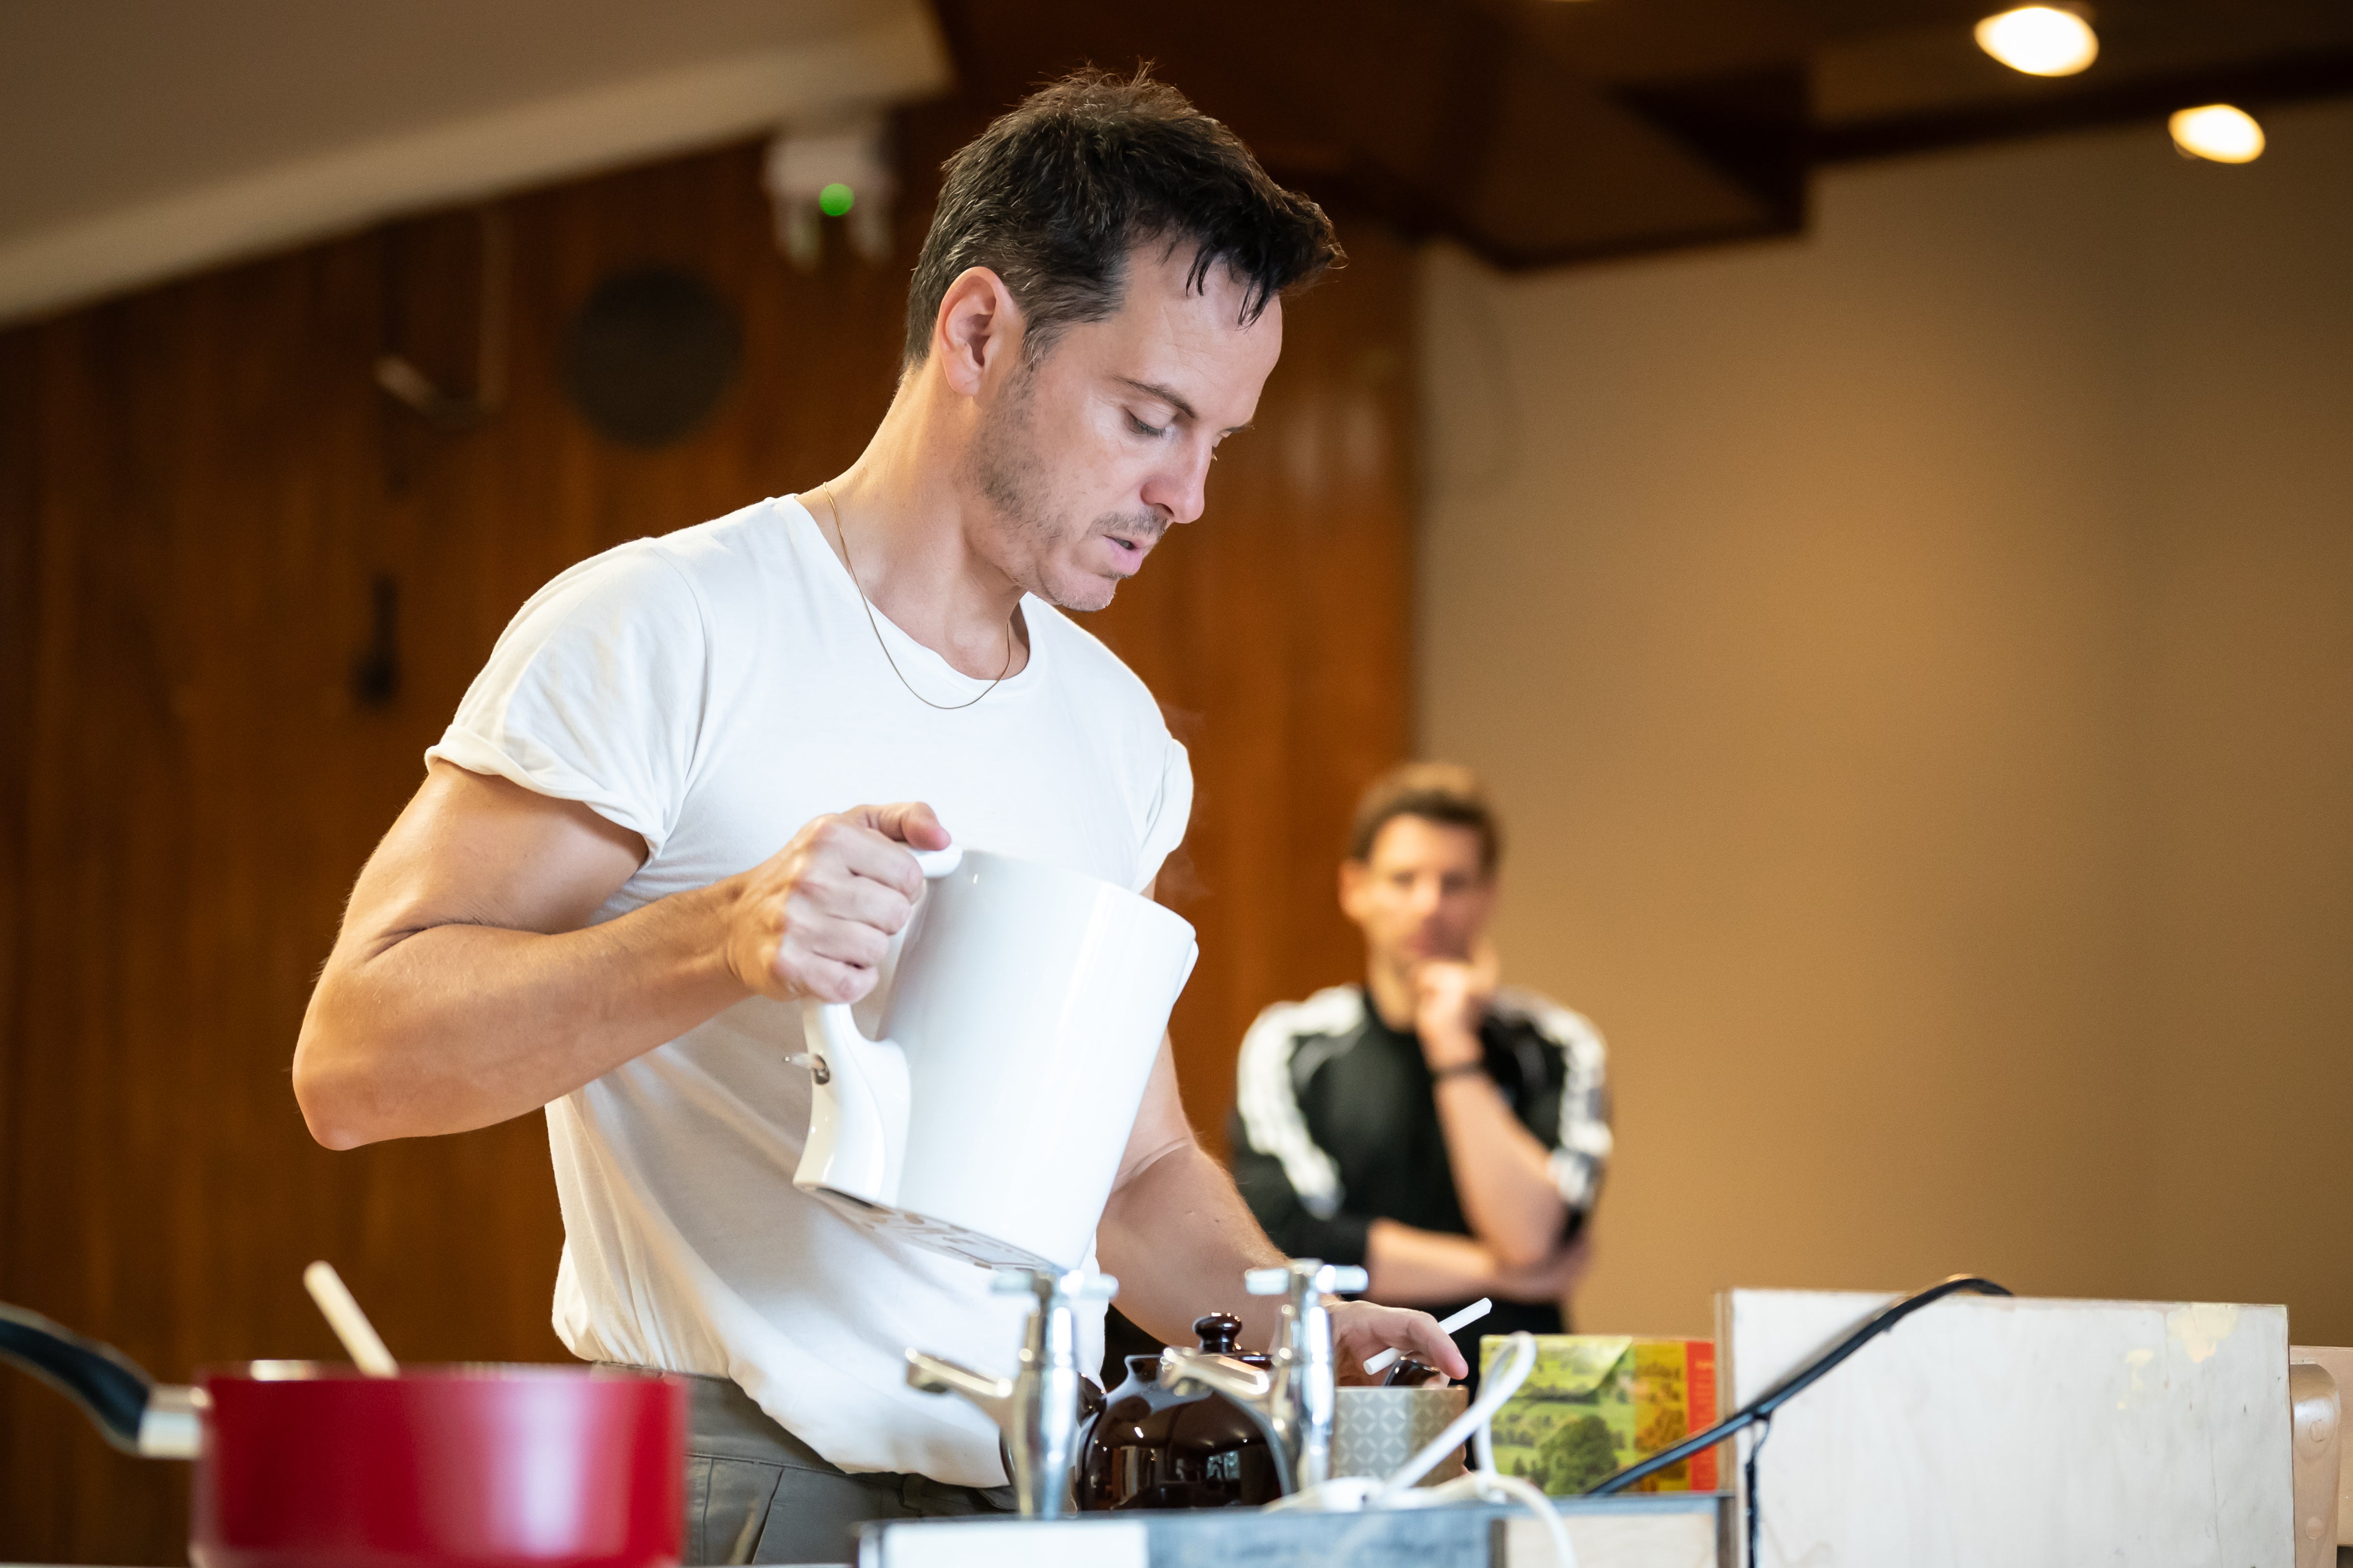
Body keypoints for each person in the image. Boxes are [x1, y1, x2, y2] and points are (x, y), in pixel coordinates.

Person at [290, 71, 1460, 1565]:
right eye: (1150, 417)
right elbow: (352, 1061)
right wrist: (714, 940)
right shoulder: (663, 629)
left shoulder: (1118, 737)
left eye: (1216, 440)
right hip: (737, 1484)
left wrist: (1303, 1318)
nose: (1186, 494)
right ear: (978, 333)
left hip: (1040, 1485)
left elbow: (1133, 1167)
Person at [1230, 763, 1611, 1384]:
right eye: (1403, 879)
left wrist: (1451, 1048)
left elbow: (1530, 1236)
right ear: (1354, 889)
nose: (1428, 905)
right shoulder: (1291, 1044)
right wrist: (1500, 1271)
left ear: (1489, 896)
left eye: (1454, 882)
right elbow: (1293, 1240)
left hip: (1519, 1395)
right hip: (1353, 1385)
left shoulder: (1557, 1045)